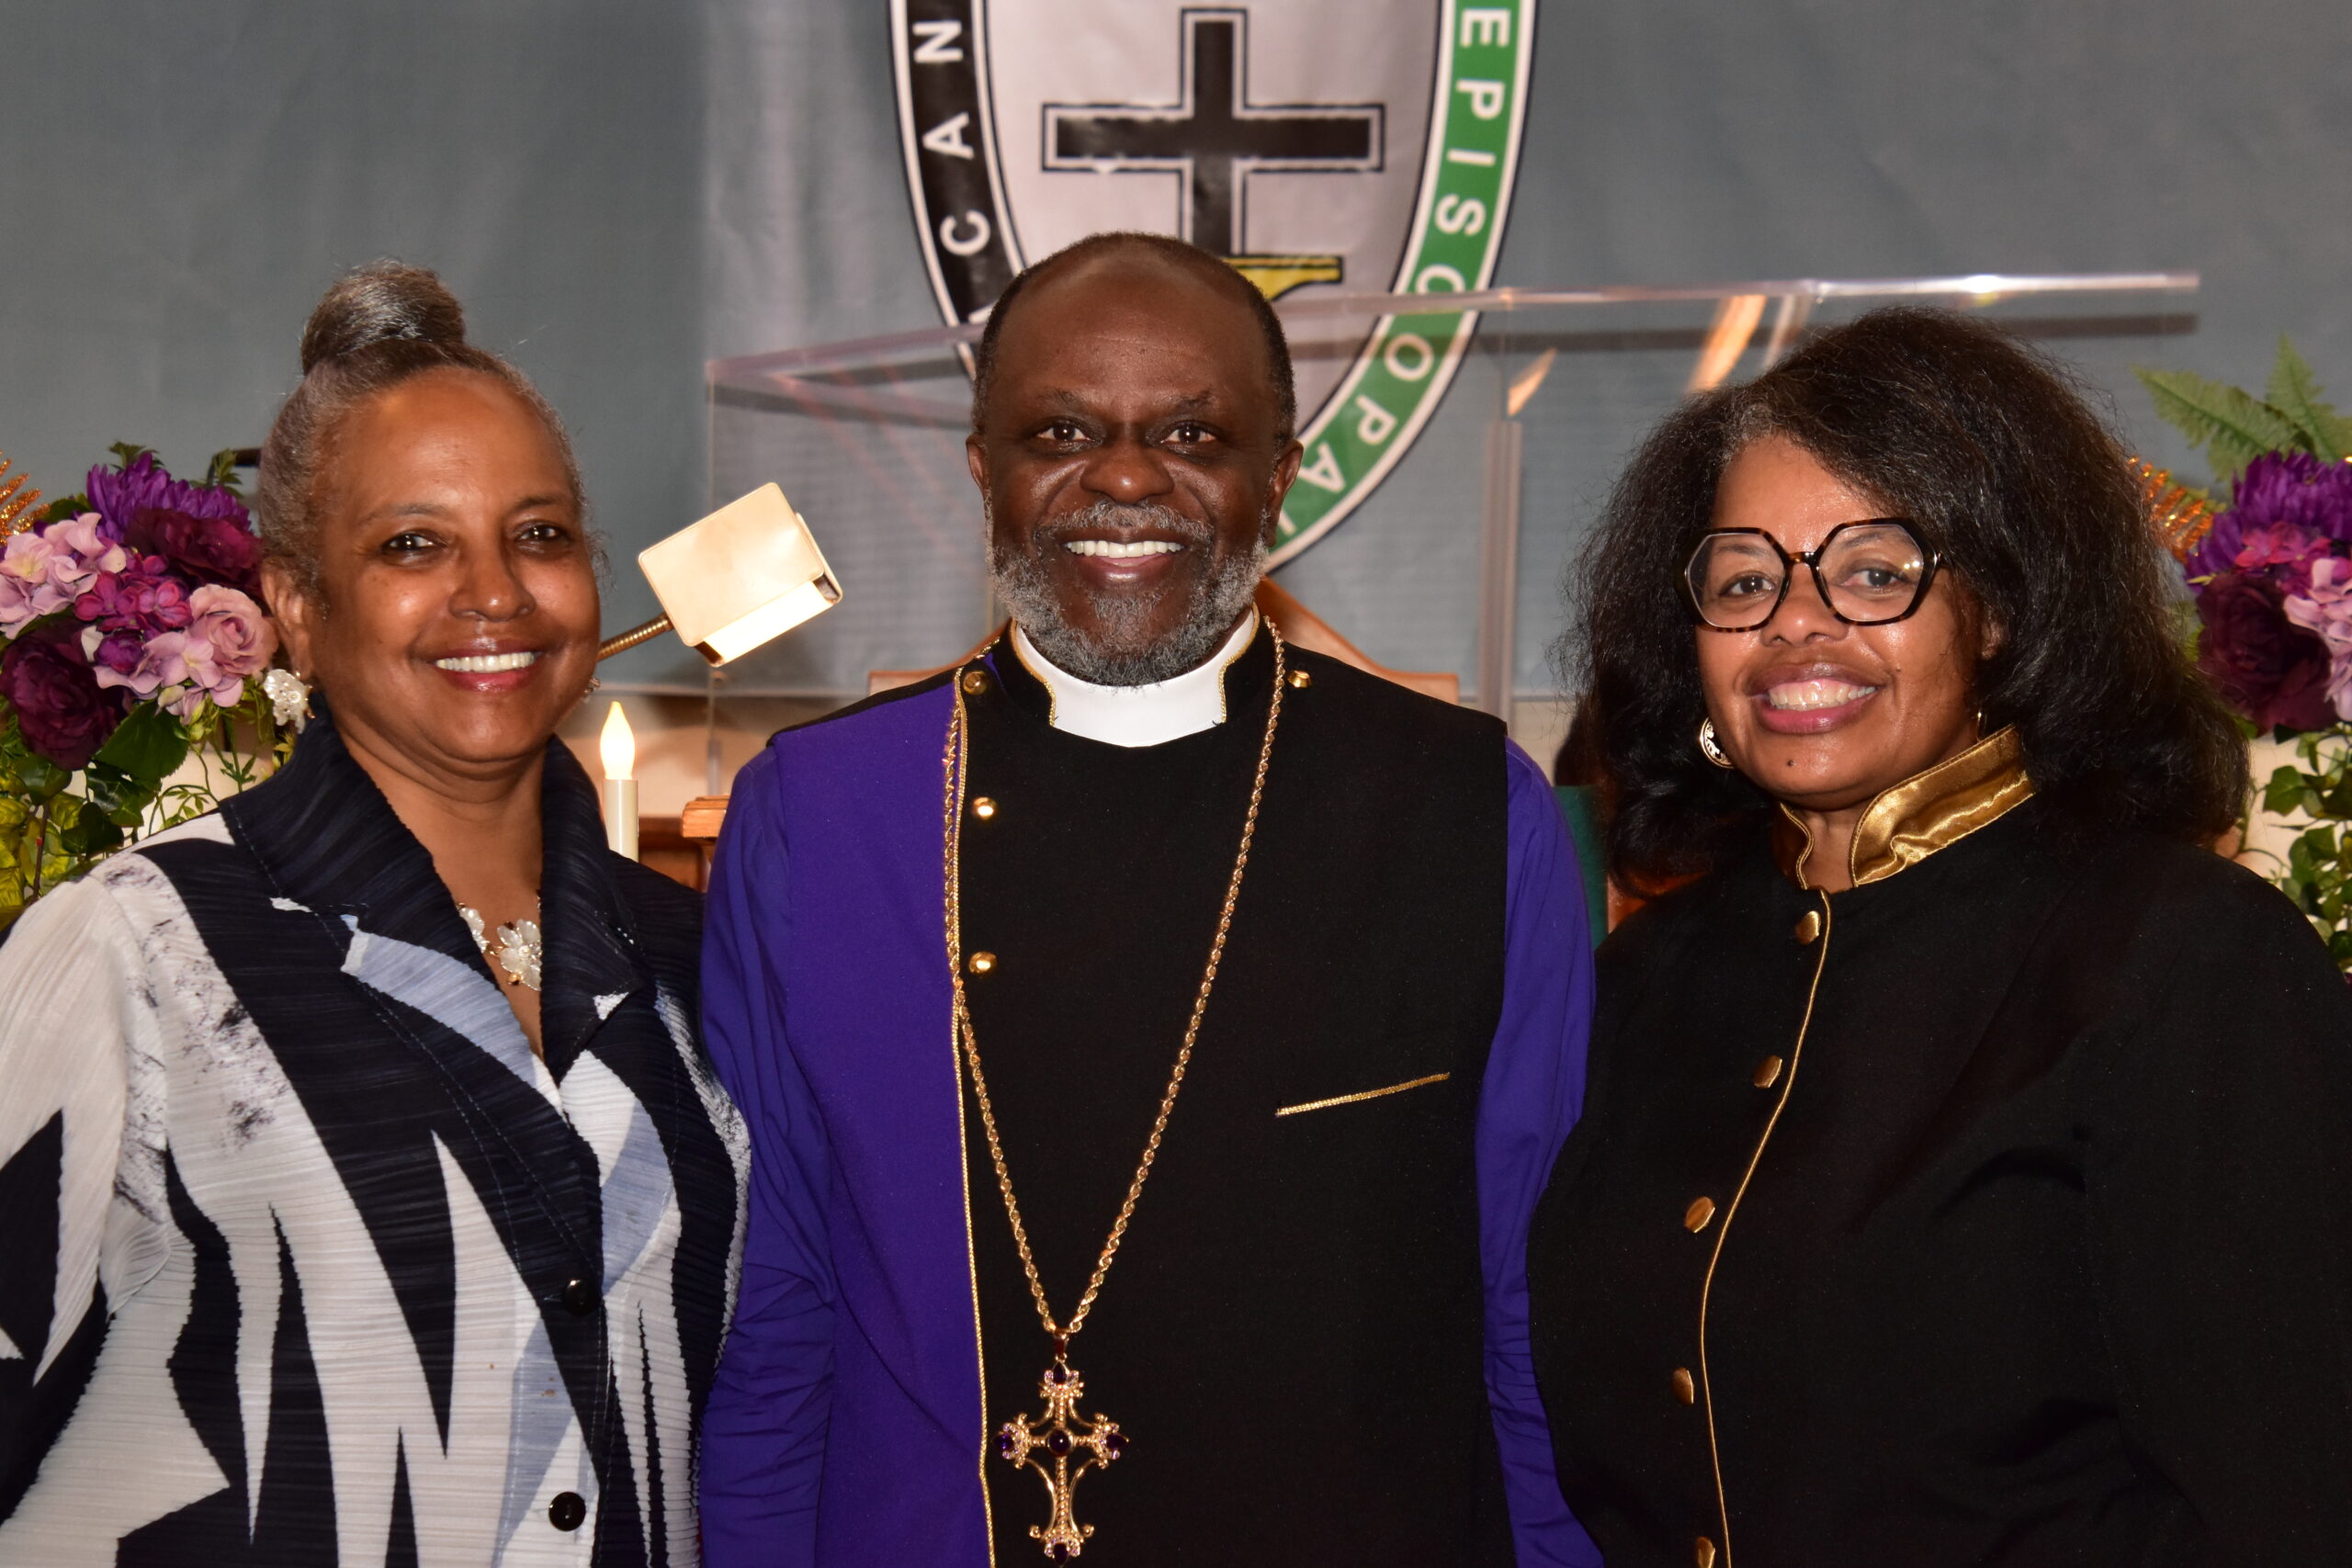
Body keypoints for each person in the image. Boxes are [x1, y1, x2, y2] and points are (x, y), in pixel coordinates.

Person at [698, 231, 1599, 1566]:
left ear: (1278, 476)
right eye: (1061, 431)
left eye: (1193, 434)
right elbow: (776, 1307)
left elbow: (1531, 1300)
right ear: (984, 469)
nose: (1124, 477)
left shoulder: (1464, 806)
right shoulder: (820, 814)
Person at [1527, 307, 2352, 1566]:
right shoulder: (1642, 980)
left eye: (1875, 573)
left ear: (2003, 611)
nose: (1795, 624)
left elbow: (2292, 1496)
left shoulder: (2178, 955)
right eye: (1743, 581)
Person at [0, 264, 747, 1563]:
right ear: (295, 603)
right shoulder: (135, 950)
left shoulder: (697, 960)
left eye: (540, 534)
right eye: (414, 545)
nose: (495, 592)